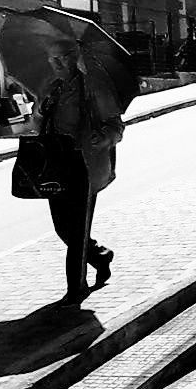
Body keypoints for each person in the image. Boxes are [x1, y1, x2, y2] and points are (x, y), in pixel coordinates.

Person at [38, 50, 125, 306]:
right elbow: (39, 122)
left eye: (61, 58)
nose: (55, 63)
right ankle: (99, 255)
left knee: (76, 231)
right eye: (52, 58)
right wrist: (41, 111)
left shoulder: (95, 90)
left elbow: (116, 127)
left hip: (85, 164)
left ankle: (76, 288)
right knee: (62, 228)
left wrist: (103, 137)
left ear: (75, 60)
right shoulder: (53, 89)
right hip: (56, 164)